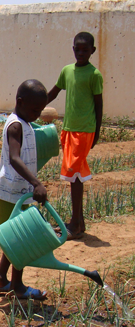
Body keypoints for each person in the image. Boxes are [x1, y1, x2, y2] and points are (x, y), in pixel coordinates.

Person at [0, 80, 49, 300]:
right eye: (35, 110)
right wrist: (36, 183)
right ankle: (17, 286)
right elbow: (14, 159)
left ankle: (0, 278)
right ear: (20, 102)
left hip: (20, 190)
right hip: (12, 191)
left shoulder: (26, 121)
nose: (38, 115)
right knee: (18, 239)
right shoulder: (16, 125)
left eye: (40, 110)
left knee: (15, 237)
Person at [47, 32, 103, 239]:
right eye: (77, 49)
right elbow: (53, 93)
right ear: (73, 49)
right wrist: (34, 106)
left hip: (84, 130)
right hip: (69, 129)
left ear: (92, 51)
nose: (80, 53)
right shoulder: (66, 71)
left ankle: (75, 224)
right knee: (74, 174)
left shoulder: (94, 75)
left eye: (85, 50)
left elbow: (98, 105)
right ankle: (79, 222)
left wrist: (96, 132)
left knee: (75, 175)